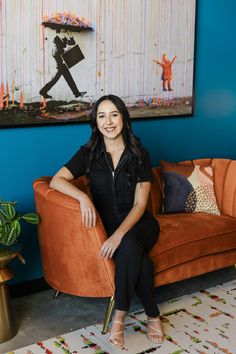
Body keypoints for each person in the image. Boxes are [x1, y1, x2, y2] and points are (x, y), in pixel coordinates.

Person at [49, 94, 164, 348]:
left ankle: (118, 317)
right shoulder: (88, 154)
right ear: (95, 122)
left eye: (114, 114)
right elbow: (56, 180)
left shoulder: (139, 153)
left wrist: (117, 236)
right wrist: (83, 198)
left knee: (130, 243)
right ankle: (152, 314)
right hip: (110, 224)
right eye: (101, 116)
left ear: (123, 117)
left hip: (140, 223)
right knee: (139, 260)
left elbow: (140, 205)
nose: (108, 121)